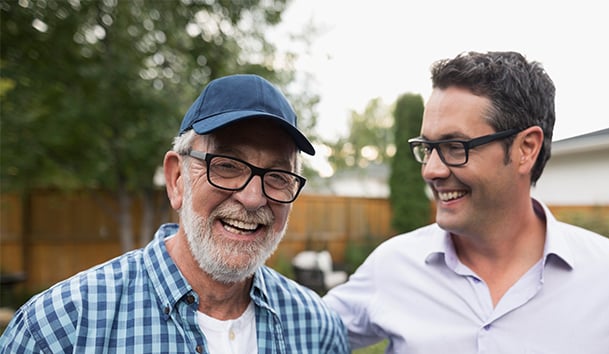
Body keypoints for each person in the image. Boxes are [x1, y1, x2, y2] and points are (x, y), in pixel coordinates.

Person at [323, 51, 609, 353]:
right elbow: (294, 331)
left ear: (526, 149)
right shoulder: (392, 267)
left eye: (455, 147)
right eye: (427, 148)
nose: (432, 171)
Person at [0, 74, 350, 353]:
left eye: (277, 176)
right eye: (227, 165)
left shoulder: (318, 328)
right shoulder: (61, 329)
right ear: (177, 179)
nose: (253, 198)